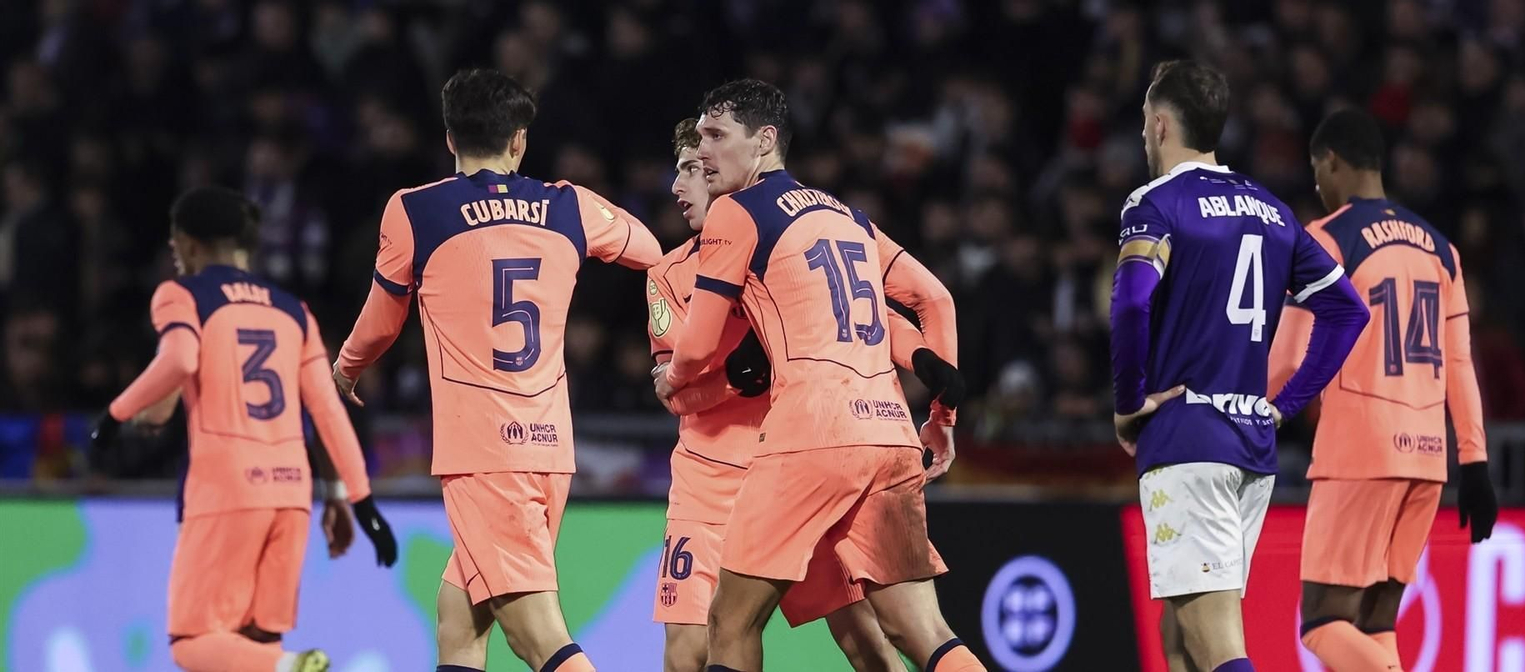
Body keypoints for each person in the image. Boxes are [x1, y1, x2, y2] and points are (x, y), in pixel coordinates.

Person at [331, 68, 662, 672]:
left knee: (536, 637)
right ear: (519, 140)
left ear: (449, 137)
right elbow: (650, 251)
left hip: (485, 454)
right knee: (458, 620)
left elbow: (380, 323)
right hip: (549, 447)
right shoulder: (570, 204)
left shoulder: (416, 210)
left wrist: (346, 370)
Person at [653, 79, 981, 672]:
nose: (704, 153)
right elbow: (932, 299)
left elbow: (695, 347)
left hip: (807, 438)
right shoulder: (845, 214)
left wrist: (673, 377)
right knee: (921, 630)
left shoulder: (736, 213)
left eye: (716, 137)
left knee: (731, 623)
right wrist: (942, 413)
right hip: (887, 431)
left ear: (764, 141)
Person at [1108, 61, 1368, 672]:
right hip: (1251, 445)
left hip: (1189, 440)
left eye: (1145, 121)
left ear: (1161, 124)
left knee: (1215, 644)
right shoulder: (1273, 211)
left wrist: (1128, 401)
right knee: (1181, 640)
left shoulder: (1156, 203)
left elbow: (1131, 302)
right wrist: (1285, 405)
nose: (1143, 134)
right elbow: (1347, 311)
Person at [90, 186, 398, 672]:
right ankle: (285, 663)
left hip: (227, 488)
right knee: (257, 644)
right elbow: (328, 412)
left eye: (174, 243)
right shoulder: (294, 311)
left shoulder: (183, 295)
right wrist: (356, 502)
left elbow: (179, 358)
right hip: (292, 493)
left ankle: (291, 666)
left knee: (192, 642)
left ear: (189, 244)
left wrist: (114, 416)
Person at [1268, 108, 1498, 672]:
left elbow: (1287, 358)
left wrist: (1249, 416)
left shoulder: (1327, 238)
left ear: (1332, 162)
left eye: (1317, 173)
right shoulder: (1442, 249)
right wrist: (1474, 462)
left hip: (1360, 452)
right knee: (1374, 624)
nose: (1317, 188)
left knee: (1322, 623)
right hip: (1427, 458)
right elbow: (1460, 364)